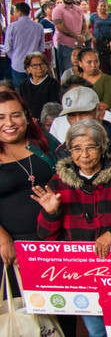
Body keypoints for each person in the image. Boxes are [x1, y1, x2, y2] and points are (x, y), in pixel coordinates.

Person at [33, 119, 111, 337]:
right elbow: (46, 237)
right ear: (69, 151)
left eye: (91, 147)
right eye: (77, 148)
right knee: (97, 332)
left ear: (102, 147)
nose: (84, 155)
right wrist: (51, 213)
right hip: (83, 276)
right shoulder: (58, 182)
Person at [0, 91, 59, 271]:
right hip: (10, 246)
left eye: (15, 115)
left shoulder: (44, 141)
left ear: (26, 116)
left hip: (53, 238)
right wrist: (3, 241)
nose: (9, 123)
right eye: (1, 117)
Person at [53, 87, 111, 167]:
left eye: (84, 113)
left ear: (100, 112)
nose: (78, 120)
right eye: (72, 115)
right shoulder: (63, 151)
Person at [4, 3, 46, 89]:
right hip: (34, 64)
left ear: (19, 13)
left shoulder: (12, 26)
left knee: (20, 90)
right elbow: (41, 47)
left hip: (18, 64)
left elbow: (7, 47)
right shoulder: (39, 26)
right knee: (35, 89)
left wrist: (15, 57)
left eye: (15, 12)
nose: (14, 14)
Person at [52, 0, 87, 77]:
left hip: (79, 45)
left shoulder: (78, 9)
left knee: (82, 70)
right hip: (65, 45)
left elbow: (84, 24)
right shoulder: (57, 10)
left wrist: (81, 36)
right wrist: (76, 36)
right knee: (67, 72)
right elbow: (60, 27)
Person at [18, 53, 61, 119]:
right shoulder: (23, 85)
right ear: (28, 69)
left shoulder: (53, 84)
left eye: (42, 64)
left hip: (47, 120)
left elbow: (55, 107)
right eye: (35, 65)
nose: (39, 68)